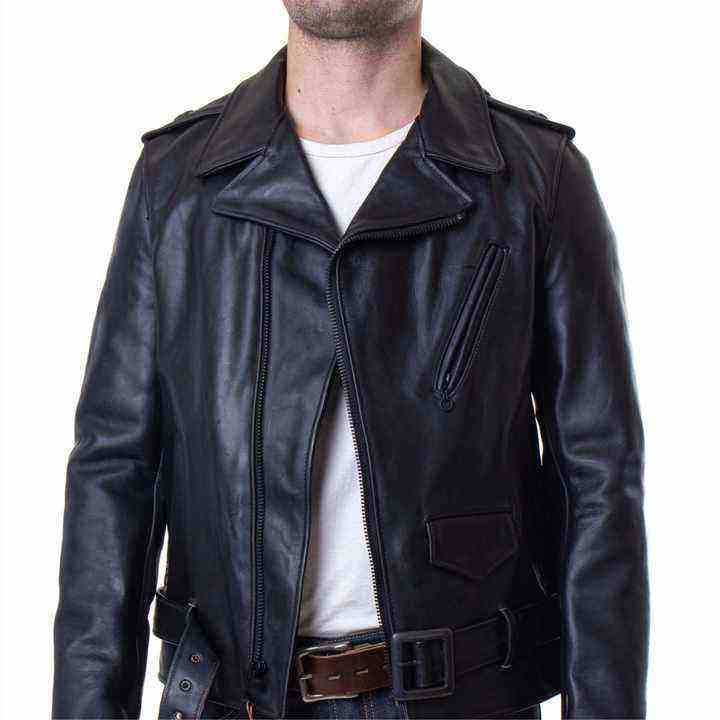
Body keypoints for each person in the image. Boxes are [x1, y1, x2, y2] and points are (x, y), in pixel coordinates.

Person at [52, 1, 649, 718]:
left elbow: (600, 481)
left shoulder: (535, 180)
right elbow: (114, 472)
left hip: (463, 701)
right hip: (231, 701)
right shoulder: (177, 183)